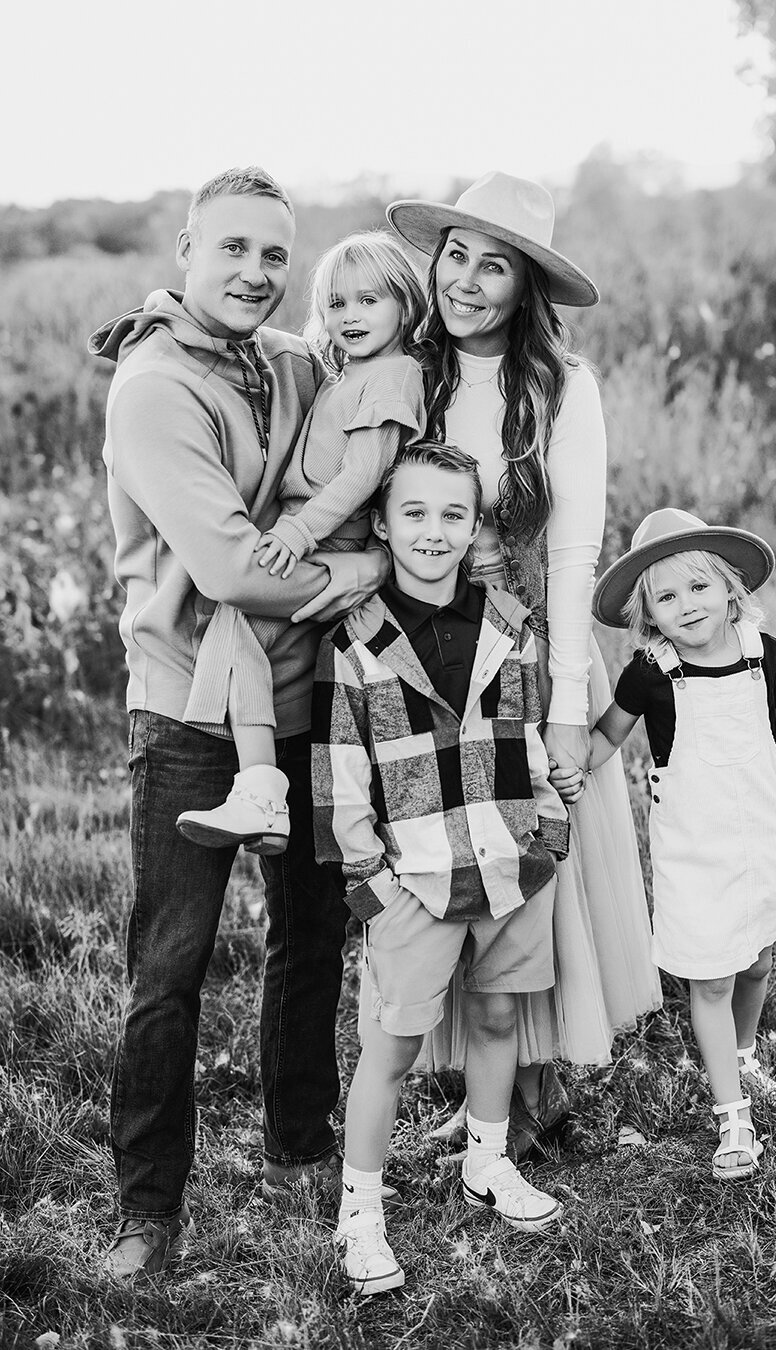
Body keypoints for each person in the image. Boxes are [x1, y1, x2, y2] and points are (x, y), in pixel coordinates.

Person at [90, 167, 389, 1278]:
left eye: (276, 254)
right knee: (169, 964)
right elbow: (223, 566)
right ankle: (147, 1209)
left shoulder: (291, 364)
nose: (258, 273)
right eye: (235, 250)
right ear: (185, 249)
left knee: (313, 935)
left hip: (308, 695)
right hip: (187, 707)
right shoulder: (156, 385)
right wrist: (366, 567)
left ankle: (301, 1145)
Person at [386, 170, 662, 1155]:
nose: (464, 279)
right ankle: (481, 1084)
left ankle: (538, 1086)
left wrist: (564, 710)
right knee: (451, 861)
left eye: (491, 264)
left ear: (524, 286)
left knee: (535, 862)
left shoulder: (560, 387)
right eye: (455, 254)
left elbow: (576, 551)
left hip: (534, 647)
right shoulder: (406, 370)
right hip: (428, 657)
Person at [312, 442, 568, 1294]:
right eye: (414, 513)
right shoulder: (356, 640)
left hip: (509, 866)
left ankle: (488, 1162)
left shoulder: (510, 623)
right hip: (413, 880)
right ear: (382, 524)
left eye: (452, 514)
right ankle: (362, 1210)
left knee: (498, 1023)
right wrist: (371, 888)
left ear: (474, 526)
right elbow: (341, 773)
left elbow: (531, 742)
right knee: (389, 1049)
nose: (433, 530)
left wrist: (550, 837)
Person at [175, 231, 426, 853]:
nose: (351, 316)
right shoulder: (353, 373)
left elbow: (365, 473)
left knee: (237, 617)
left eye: (370, 300)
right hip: (311, 539)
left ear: (406, 305)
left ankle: (260, 793)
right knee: (236, 629)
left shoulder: (394, 375)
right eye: (337, 304)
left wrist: (296, 529)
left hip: (325, 544)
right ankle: (260, 793)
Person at [591, 508, 776, 1178]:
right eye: (666, 596)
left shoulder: (765, 654)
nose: (687, 606)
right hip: (696, 850)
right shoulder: (651, 674)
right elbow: (608, 737)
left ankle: (745, 1057)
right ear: (649, 614)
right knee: (713, 976)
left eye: (699, 588)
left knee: (755, 962)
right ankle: (732, 1119)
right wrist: (572, 766)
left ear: (730, 588)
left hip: (765, 836)